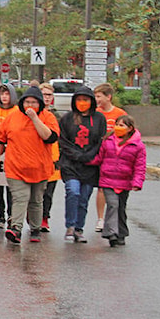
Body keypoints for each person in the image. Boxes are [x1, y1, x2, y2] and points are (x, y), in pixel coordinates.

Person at [0, 86, 60, 244]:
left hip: (40, 167)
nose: (30, 106)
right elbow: (0, 139)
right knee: (20, 197)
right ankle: (16, 228)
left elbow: (49, 137)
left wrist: (35, 118)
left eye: (34, 103)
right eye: (27, 102)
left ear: (40, 104)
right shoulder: (12, 117)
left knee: (36, 200)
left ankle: (35, 229)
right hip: (16, 166)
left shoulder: (48, 117)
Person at [57, 85, 106, 243]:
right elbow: (63, 142)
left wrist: (89, 156)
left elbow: (100, 141)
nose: (82, 103)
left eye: (85, 100)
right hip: (70, 164)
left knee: (84, 198)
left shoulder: (99, 119)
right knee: (73, 192)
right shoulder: (67, 119)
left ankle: (79, 228)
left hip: (90, 166)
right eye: (79, 100)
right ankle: (70, 225)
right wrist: (77, 155)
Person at [90, 115, 145, 247]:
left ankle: (121, 233)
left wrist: (137, 182)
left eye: (122, 125)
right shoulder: (107, 141)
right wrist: (85, 160)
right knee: (113, 204)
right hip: (107, 179)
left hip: (124, 182)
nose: (118, 128)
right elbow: (99, 158)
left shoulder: (138, 145)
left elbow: (140, 166)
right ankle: (111, 233)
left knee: (120, 208)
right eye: (117, 125)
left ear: (130, 128)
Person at [93, 83, 128, 232]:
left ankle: (113, 219)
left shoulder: (119, 113)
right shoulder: (95, 112)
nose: (96, 99)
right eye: (95, 96)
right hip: (101, 154)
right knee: (101, 188)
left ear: (108, 97)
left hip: (117, 156)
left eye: (99, 96)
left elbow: (128, 132)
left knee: (116, 191)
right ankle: (101, 219)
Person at [0, 83, 17, 228]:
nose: (4, 97)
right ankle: (0, 215)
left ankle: (11, 215)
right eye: (2, 94)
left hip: (11, 152)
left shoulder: (16, 111)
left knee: (10, 187)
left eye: (7, 94)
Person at [38, 83, 60, 232]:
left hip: (53, 158)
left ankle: (44, 218)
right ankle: (35, 216)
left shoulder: (56, 116)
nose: (47, 98)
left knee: (48, 193)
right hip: (36, 158)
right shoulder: (32, 114)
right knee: (36, 193)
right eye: (44, 95)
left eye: (49, 95)